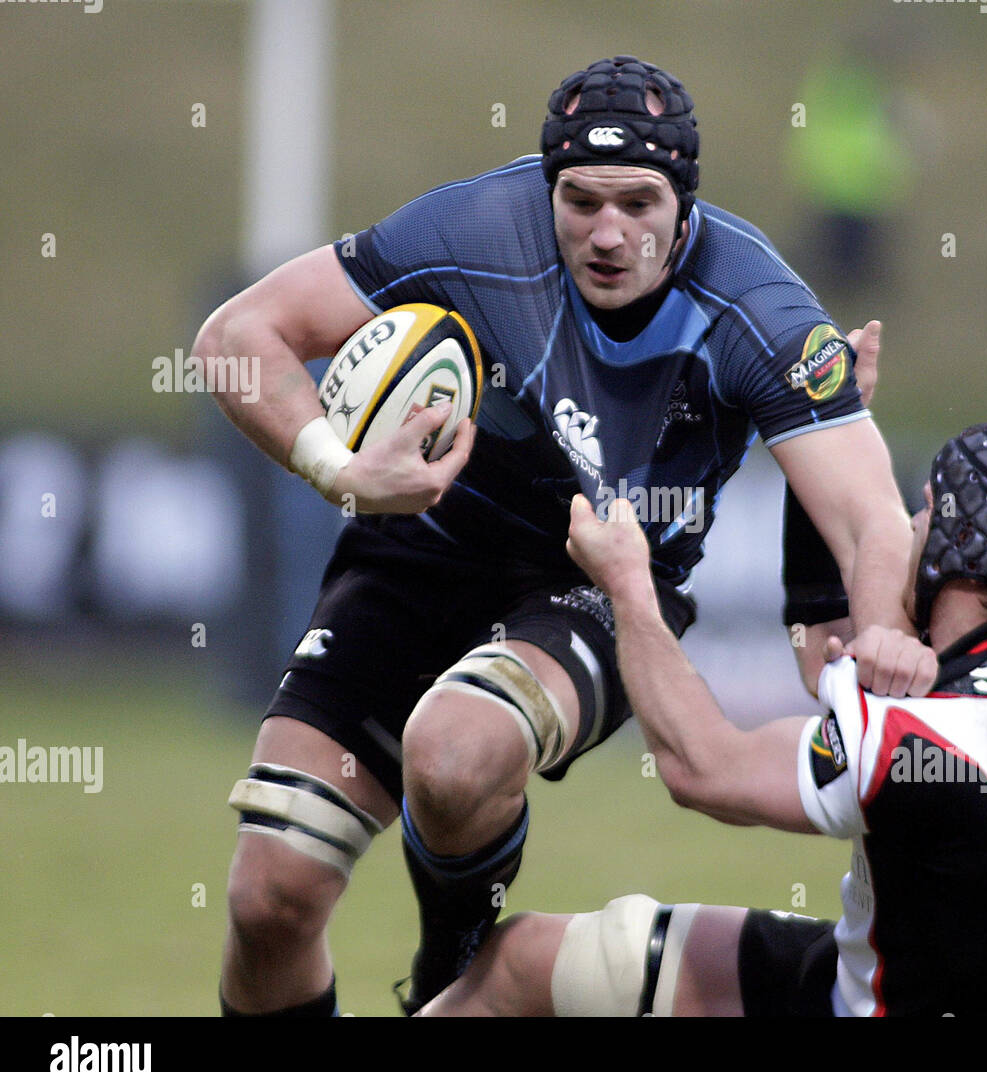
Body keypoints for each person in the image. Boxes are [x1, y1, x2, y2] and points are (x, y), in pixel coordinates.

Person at [194, 55, 935, 1017]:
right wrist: (342, 470)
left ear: (685, 201)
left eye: (638, 202)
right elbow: (236, 335)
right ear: (549, 189)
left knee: (456, 755)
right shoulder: (474, 230)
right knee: (269, 898)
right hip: (417, 553)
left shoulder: (760, 309)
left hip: (600, 583)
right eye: (581, 200)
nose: (609, 232)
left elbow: (871, 515)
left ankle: (449, 980)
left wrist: (878, 634)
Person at [417, 421, 987, 1017]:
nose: (908, 526)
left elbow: (702, 769)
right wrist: (819, 427)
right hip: (864, 979)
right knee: (523, 965)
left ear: (961, 552)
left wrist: (628, 585)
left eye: (925, 513)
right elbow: (829, 638)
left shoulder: (933, 746)